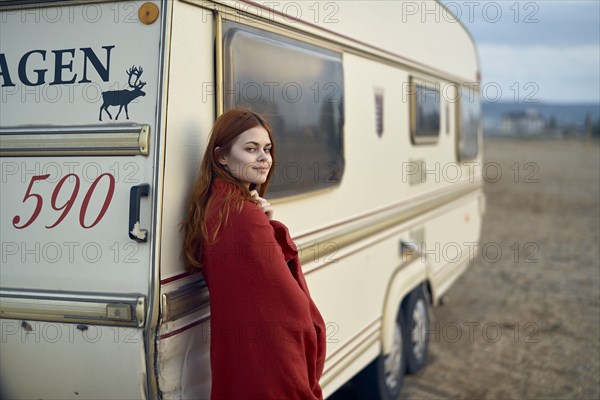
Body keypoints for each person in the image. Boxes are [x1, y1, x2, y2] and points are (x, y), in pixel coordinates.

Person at [182, 108, 326, 399]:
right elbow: (290, 310)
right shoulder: (242, 215)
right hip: (269, 367)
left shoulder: (217, 206)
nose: (264, 158)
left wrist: (268, 222)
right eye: (251, 149)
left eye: (267, 149)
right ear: (221, 156)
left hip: (241, 359)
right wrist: (315, 335)